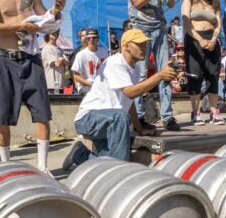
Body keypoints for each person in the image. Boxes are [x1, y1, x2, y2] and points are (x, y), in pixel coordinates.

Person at [0, 0, 65, 172]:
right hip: (5, 59)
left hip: (31, 59)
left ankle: (43, 168)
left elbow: (46, 22)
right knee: (2, 117)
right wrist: (20, 25)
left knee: (42, 114)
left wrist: (56, 12)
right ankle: (6, 167)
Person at [60, 29, 179, 174]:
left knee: (106, 161)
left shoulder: (134, 70)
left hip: (109, 122)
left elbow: (129, 102)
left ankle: (81, 155)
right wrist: (160, 75)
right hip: (88, 119)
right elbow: (130, 92)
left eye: (145, 44)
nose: (144, 48)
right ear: (126, 46)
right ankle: (120, 173)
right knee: (121, 119)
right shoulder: (115, 62)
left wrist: (140, 128)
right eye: (140, 44)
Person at [124, 0, 178, 130]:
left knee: (166, 72)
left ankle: (167, 116)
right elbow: (137, 2)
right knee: (140, 73)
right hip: (140, 27)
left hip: (159, 27)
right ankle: (139, 117)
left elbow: (170, 3)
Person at [181, 0, 225, 125]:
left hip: (212, 40)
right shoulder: (189, 0)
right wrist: (199, 39)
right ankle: (196, 113)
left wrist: (213, 39)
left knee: (213, 76)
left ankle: (214, 112)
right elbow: (186, 23)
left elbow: (218, 24)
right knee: (195, 76)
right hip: (194, 39)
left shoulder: (215, 3)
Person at [70, 28, 104, 94]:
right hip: (85, 86)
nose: (91, 40)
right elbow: (75, 76)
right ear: (86, 39)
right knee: (95, 94)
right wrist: (90, 84)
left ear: (98, 38)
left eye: (94, 37)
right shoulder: (80, 55)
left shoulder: (104, 52)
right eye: (89, 38)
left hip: (100, 84)